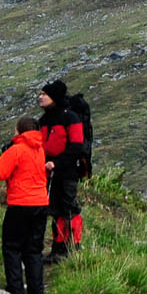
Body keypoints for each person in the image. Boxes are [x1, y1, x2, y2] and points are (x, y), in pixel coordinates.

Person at [0, 114, 51, 294]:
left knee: (12, 247)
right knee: (33, 250)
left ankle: (15, 290)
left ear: (20, 130)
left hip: (20, 205)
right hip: (40, 204)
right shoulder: (40, 150)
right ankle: (36, 293)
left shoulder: (17, 150)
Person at [38, 78, 92, 261]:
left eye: (44, 94)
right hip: (51, 171)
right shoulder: (45, 119)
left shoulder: (70, 117)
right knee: (55, 210)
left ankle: (72, 249)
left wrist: (57, 163)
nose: (40, 97)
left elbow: (76, 146)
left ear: (53, 96)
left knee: (69, 208)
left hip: (67, 171)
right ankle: (58, 249)